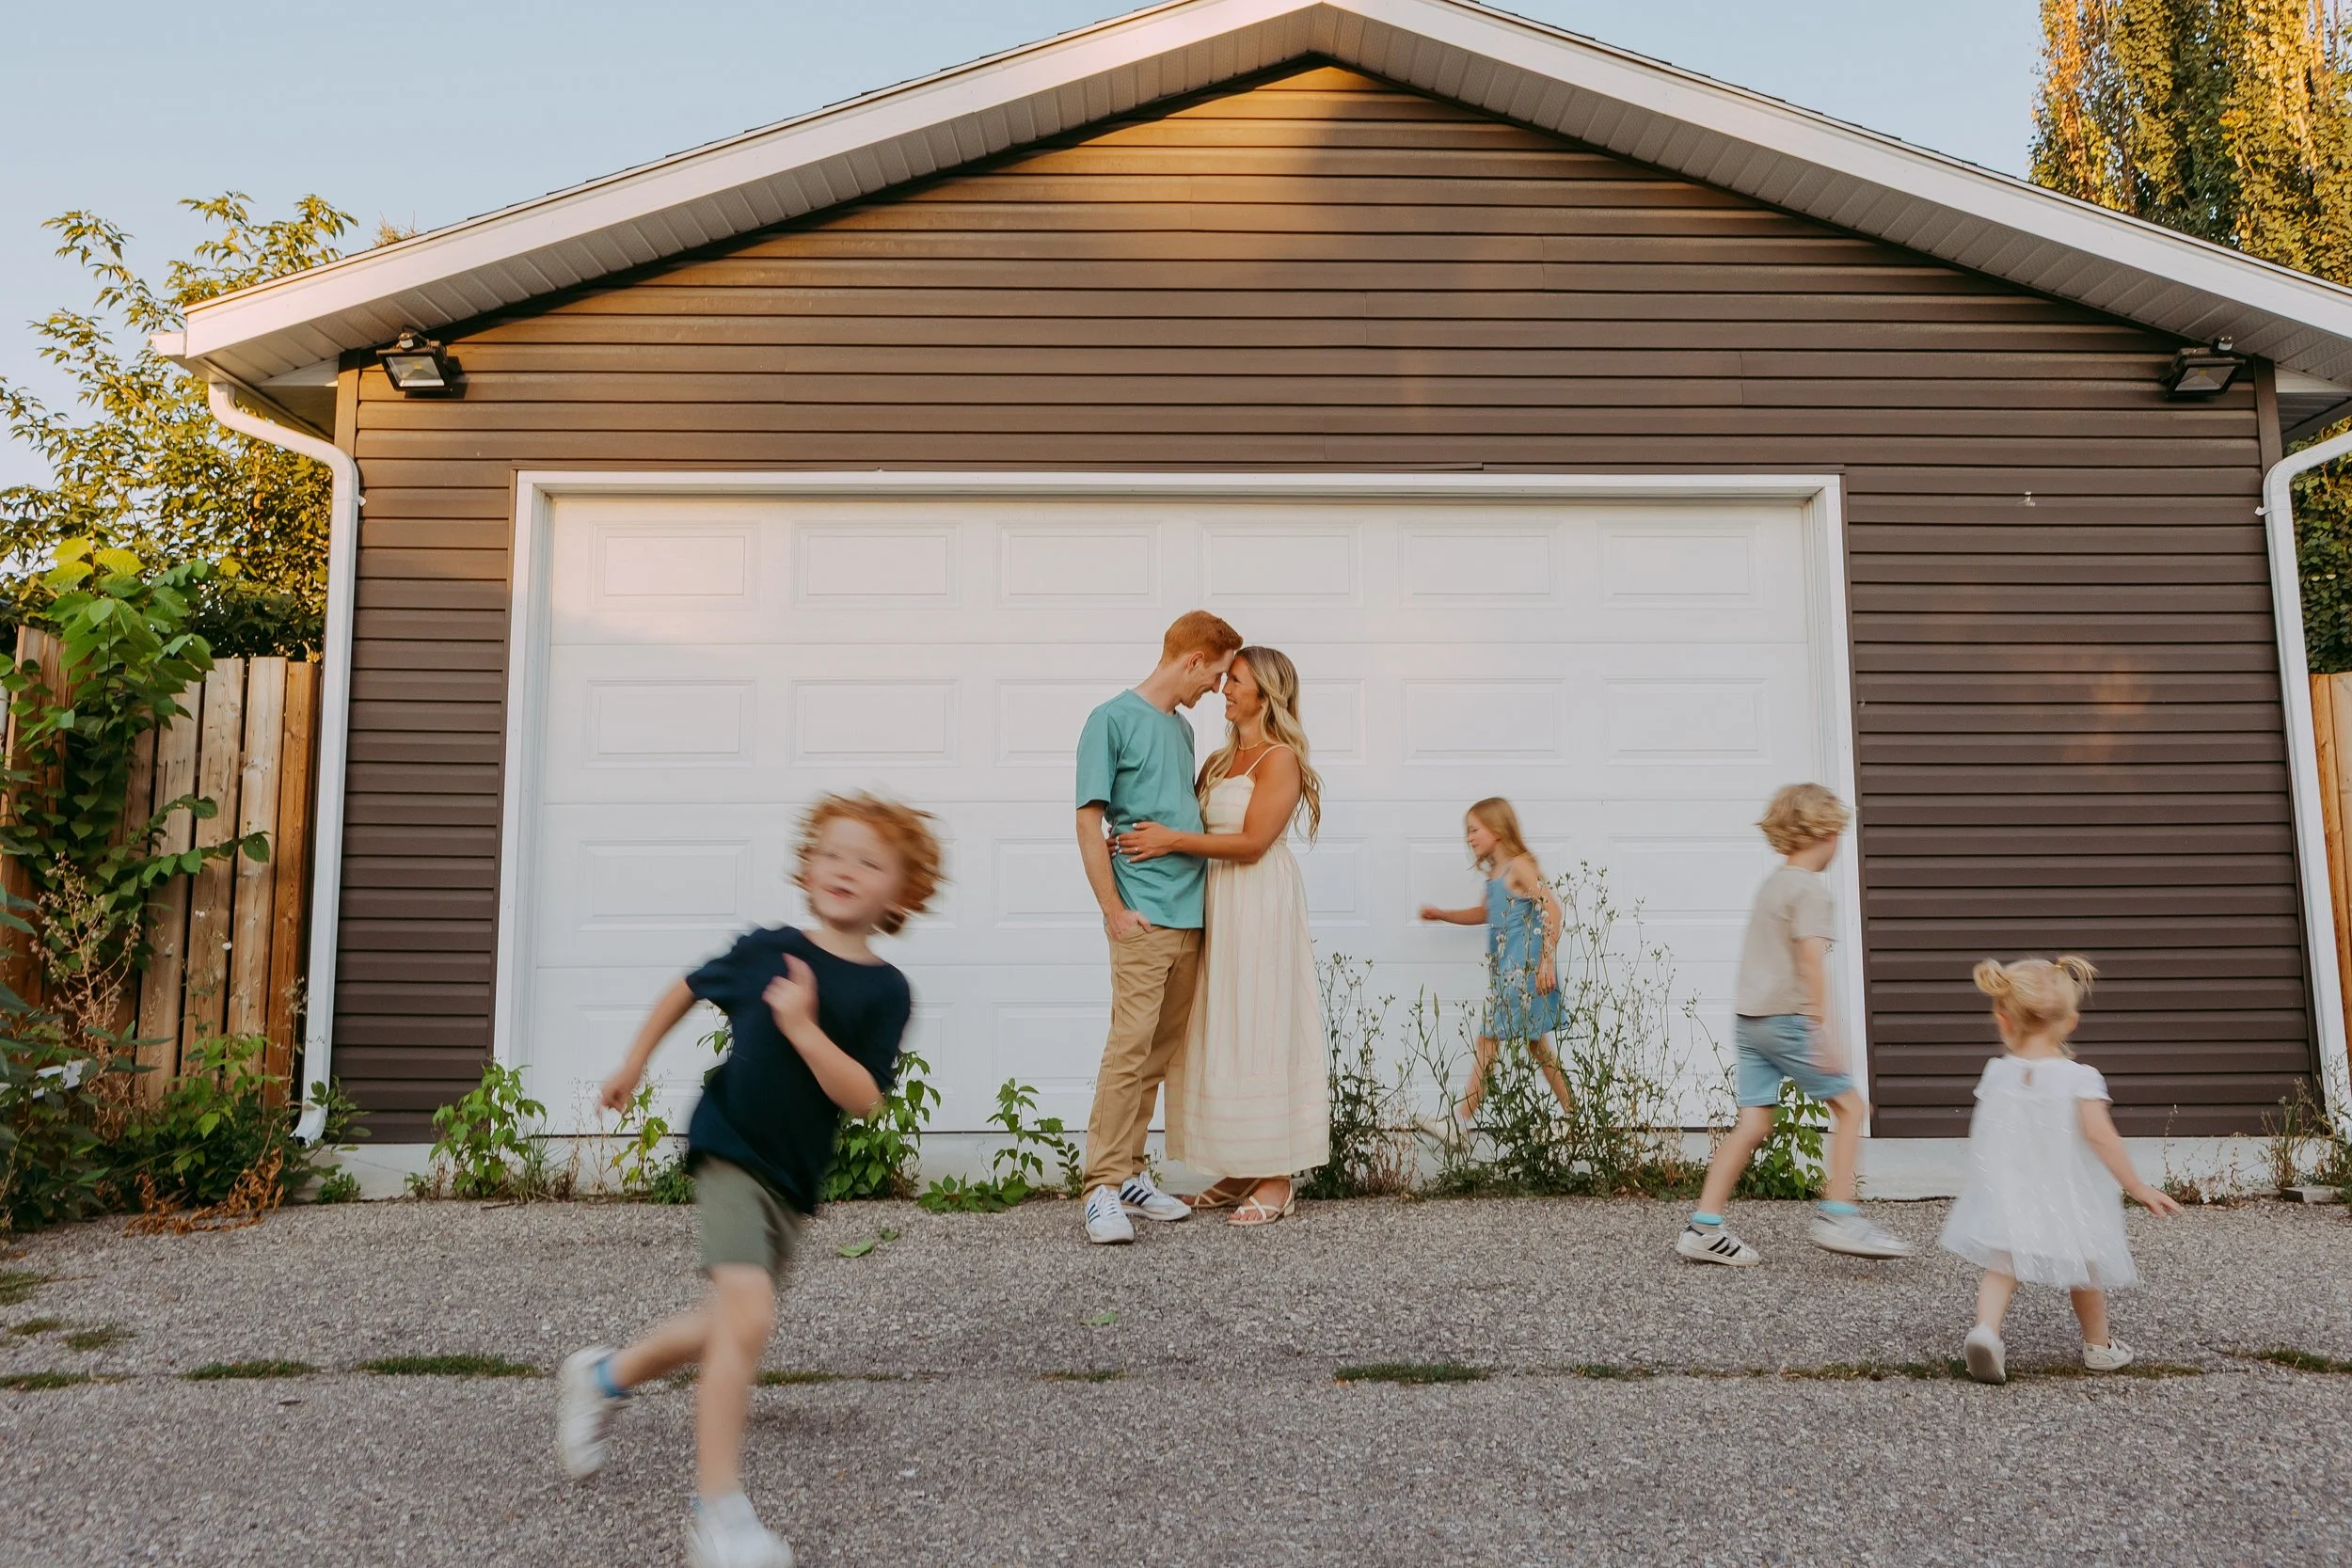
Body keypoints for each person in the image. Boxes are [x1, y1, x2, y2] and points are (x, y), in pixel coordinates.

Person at [556, 793, 943, 1568]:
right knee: (751, 1313)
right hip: (728, 1145)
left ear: (901, 893)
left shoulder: (885, 991)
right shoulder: (767, 948)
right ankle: (719, 1512)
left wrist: (802, 1025)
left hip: (789, 1177)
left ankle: (600, 1375)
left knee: (725, 1323)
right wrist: (634, 1060)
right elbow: (689, 987)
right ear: (807, 866)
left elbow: (861, 1094)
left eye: (869, 861)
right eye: (832, 852)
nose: (845, 868)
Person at [1119, 645, 1328, 1226]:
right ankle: (1240, 1164)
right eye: (1226, 679)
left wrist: (1170, 841)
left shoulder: (1279, 760)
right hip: (1217, 903)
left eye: (1235, 681)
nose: (1223, 690)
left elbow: (1254, 842)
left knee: (1262, 1023)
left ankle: (1278, 1175)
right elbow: (1179, 818)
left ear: (1266, 694)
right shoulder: (1216, 762)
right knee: (1220, 1027)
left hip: (1260, 902)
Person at [1675, 783, 1910, 1266]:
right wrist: (1820, 1030)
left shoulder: (1775, 883)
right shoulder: (1810, 892)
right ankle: (1840, 1214)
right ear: (1824, 833)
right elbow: (1810, 964)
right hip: (1787, 1022)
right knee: (1851, 1108)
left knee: (1753, 1123)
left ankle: (1704, 1226)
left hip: (1749, 1022)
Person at [1073, 610, 1245, 1244]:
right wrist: (1113, 908)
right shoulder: (1110, 719)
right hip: (1142, 914)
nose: (1216, 689)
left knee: (1158, 1054)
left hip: (1190, 914)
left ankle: (1132, 1171)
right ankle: (1100, 1186)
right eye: (1217, 673)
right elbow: (1089, 821)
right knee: (1128, 1048)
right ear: (1193, 660)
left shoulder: (1180, 731)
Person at [1941, 956, 2181, 1384]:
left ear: (2004, 1019)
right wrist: (2136, 1185)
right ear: (2070, 1021)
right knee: (2086, 1269)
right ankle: (2099, 1346)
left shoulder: (1998, 1074)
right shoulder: (2079, 1079)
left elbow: (1992, 1129)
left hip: (2014, 1190)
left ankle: (1985, 1331)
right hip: (2069, 1191)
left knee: (2002, 1265)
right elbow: (2100, 1135)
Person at [1419, 798, 1577, 1125]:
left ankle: (1458, 1124)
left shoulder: (1520, 866)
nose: (1469, 837)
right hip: (1509, 969)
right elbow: (1487, 913)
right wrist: (1443, 915)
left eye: (1475, 829)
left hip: (1526, 971)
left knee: (1488, 1040)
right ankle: (1576, 1116)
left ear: (1498, 831)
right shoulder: (1497, 872)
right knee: (1537, 1046)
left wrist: (1547, 962)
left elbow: (1554, 910)